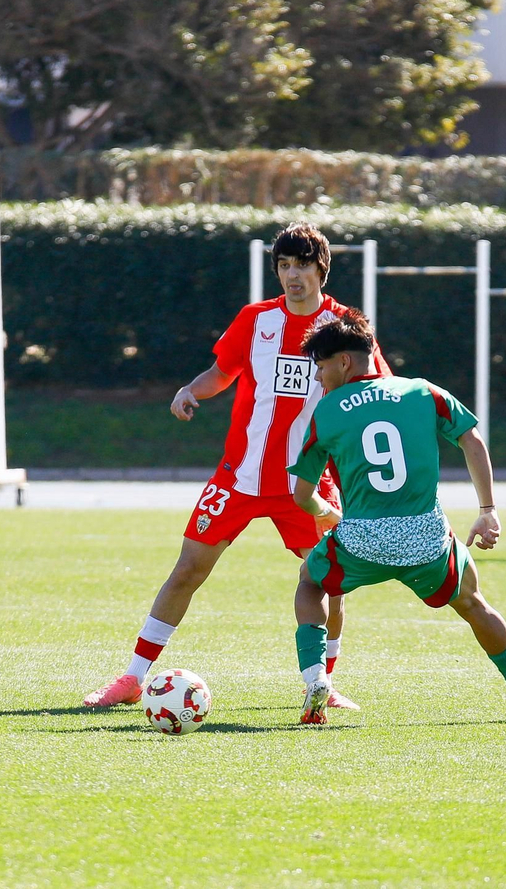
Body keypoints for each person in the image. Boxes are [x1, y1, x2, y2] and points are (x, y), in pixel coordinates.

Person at [83, 223, 387, 710]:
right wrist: (189, 390)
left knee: (331, 583)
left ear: (321, 269)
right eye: (284, 265)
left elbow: (376, 388)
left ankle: (323, 684)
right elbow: (222, 373)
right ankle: (132, 678)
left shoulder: (343, 326)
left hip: (306, 484)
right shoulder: (255, 319)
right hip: (239, 477)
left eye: (302, 265)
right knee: (187, 571)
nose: (293, 275)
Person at [287, 311, 506, 725]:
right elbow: (471, 439)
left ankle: (317, 677)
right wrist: (487, 511)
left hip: (362, 538)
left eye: (320, 368)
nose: (319, 379)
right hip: (425, 538)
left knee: (310, 582)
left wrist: (327, 512)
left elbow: (301, 494)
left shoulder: (328, 411)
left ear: (344, 362)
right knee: (473, 603)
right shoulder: (423, 392)